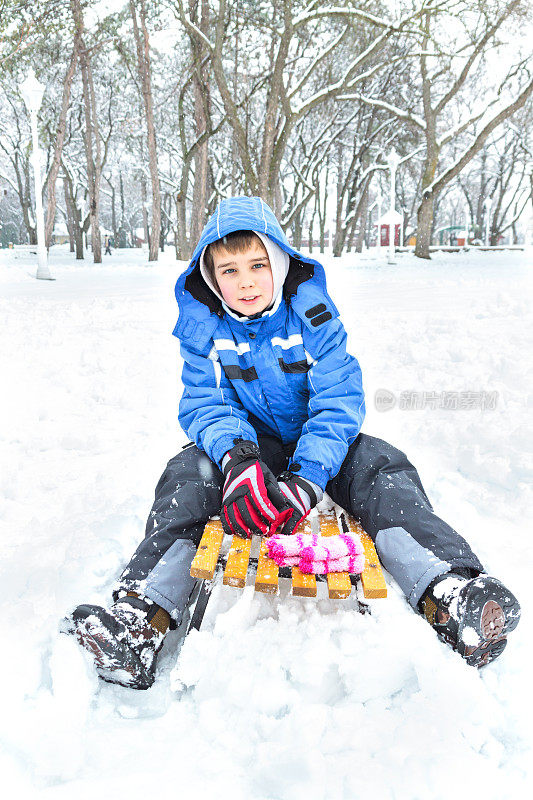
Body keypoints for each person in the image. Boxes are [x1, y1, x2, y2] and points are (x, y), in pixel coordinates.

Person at [63, 196, 520, 689]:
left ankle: (449, 593)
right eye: (229, 270)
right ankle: (140, 621)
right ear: (212, 278)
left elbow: (338, 402)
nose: (245, 282)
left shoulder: (313, 318)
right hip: (249, 443)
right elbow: (205, 403)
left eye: (257, 265)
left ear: (278, 262)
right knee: (186, 476)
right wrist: (239, 459)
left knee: (382, 467)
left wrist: (306, 479)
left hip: (319, 442)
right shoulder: (206, 328)